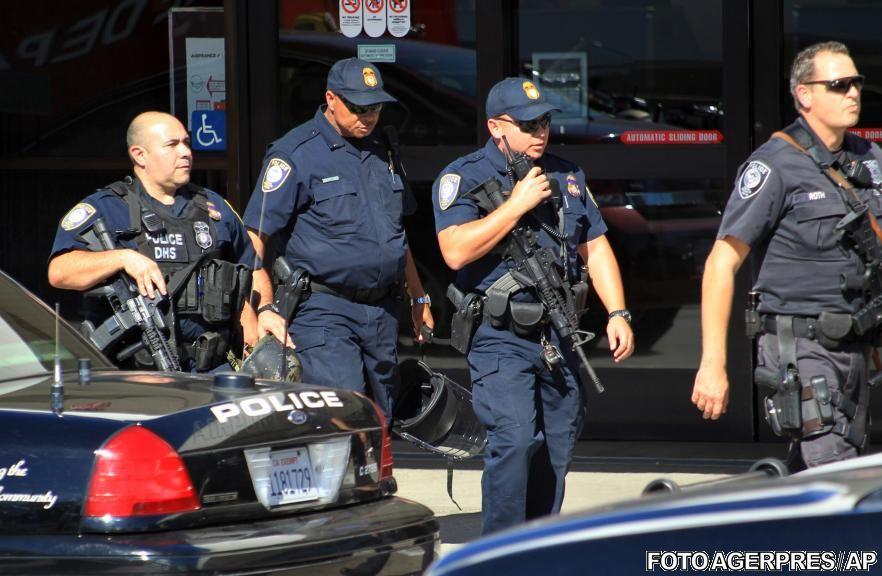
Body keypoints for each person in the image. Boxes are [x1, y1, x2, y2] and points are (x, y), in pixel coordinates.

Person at [432, 77, 634, 534]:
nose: (540, 131)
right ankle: (500, 553)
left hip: (558, 334)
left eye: (544, 121)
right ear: (496, 127)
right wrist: (516, 206)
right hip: (499, 337)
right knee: (515, 439)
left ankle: (536, 544)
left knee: (556, 445)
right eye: (527, 124)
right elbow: (455, 251)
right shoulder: (462, 176)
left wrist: (618, 313)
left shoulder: (566, 174)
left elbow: (596, 248)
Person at [692, 41, 882, 470]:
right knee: (833, 475)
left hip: (856, 345)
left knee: (829, 466)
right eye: (839, 84)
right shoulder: (775, 165)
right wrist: (712, 365)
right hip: (801, 347)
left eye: (857, 83)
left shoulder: (870, 160)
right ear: (805, 94)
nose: (853, 93)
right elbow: (722, 262)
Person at [244, 57, 433, 423]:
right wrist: (263, 306)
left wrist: (418, 295)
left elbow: (397, 232)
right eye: (358, 107)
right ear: (331, 99)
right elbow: (256, 235)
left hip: (381, 312)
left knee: (382, 419)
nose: (368, 115)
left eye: (375, 107)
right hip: (324, 309)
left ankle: (371, 482)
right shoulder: (295, 153)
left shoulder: (383, 150)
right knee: (342, 415)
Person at [49, 111, 255, 372]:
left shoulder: (215, 207)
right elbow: (59, 272)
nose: (185, 152)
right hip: (137, 373)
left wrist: (257, 329)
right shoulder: (108, 208)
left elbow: (250, 272)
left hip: (213, 370)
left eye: (186, 143)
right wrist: (123, 258)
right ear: (139, 155)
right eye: (172, 145)